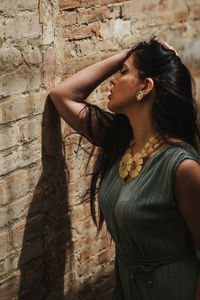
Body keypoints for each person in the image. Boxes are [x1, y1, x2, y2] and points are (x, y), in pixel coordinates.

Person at [49, 37, 200, 299]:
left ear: (146, 86)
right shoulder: (120, 141)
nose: (113, 79)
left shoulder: (182, 166)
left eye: (124, 72)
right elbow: (62, 95)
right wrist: (126, 54)